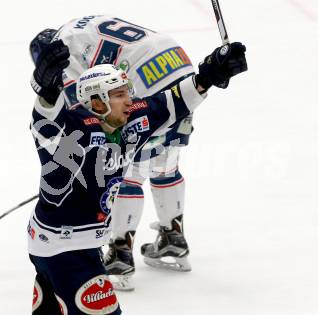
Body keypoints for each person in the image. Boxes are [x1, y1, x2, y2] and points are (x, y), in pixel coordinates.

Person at [27, 27, 247, 314]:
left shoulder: (131, 123)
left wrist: (210, 75)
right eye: (119, 95)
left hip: (67, 243)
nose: (129, 100)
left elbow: (175, 101)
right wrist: (47, 87)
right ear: (97, 102)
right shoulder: (73, 130)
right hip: (66, 249)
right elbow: (46, 118)